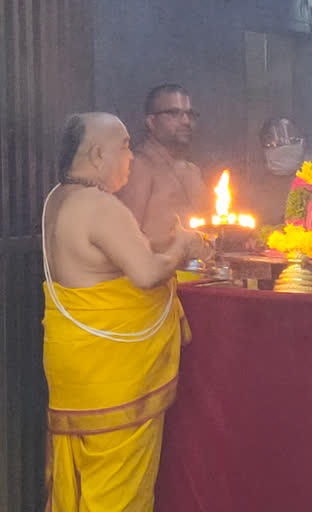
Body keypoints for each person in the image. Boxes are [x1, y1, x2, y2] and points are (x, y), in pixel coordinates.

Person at [42, 112, 209, 511]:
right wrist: (181, 248)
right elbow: (147, 273)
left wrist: (162, 243)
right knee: (119, 489)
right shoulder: (100, 206)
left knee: (80, 480)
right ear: (98, 154)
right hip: (112, 377)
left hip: (75, 370)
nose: (131, 158)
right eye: (125, 147)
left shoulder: (58, 198)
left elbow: (106, 258)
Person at [117, 84, 208, 252]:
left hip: (200, 273)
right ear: (151, 121)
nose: (186, 121)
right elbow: (126, 238)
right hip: (158, 272)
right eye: (174, 113)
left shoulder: (193, 170)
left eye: (189, 114)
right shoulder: (140, 165)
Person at [249, 117, 307, 226]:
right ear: (264, 149)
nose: (286, 148)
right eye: (278, 144)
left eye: (293, 141)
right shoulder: (252, 189)